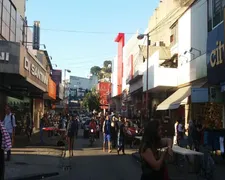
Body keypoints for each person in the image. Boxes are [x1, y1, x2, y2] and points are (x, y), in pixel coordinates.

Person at [0, 112, 12, 179]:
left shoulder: (11, 116)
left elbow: (13, 125)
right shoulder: (4, 119)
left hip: (9, 132)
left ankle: (8, 156)